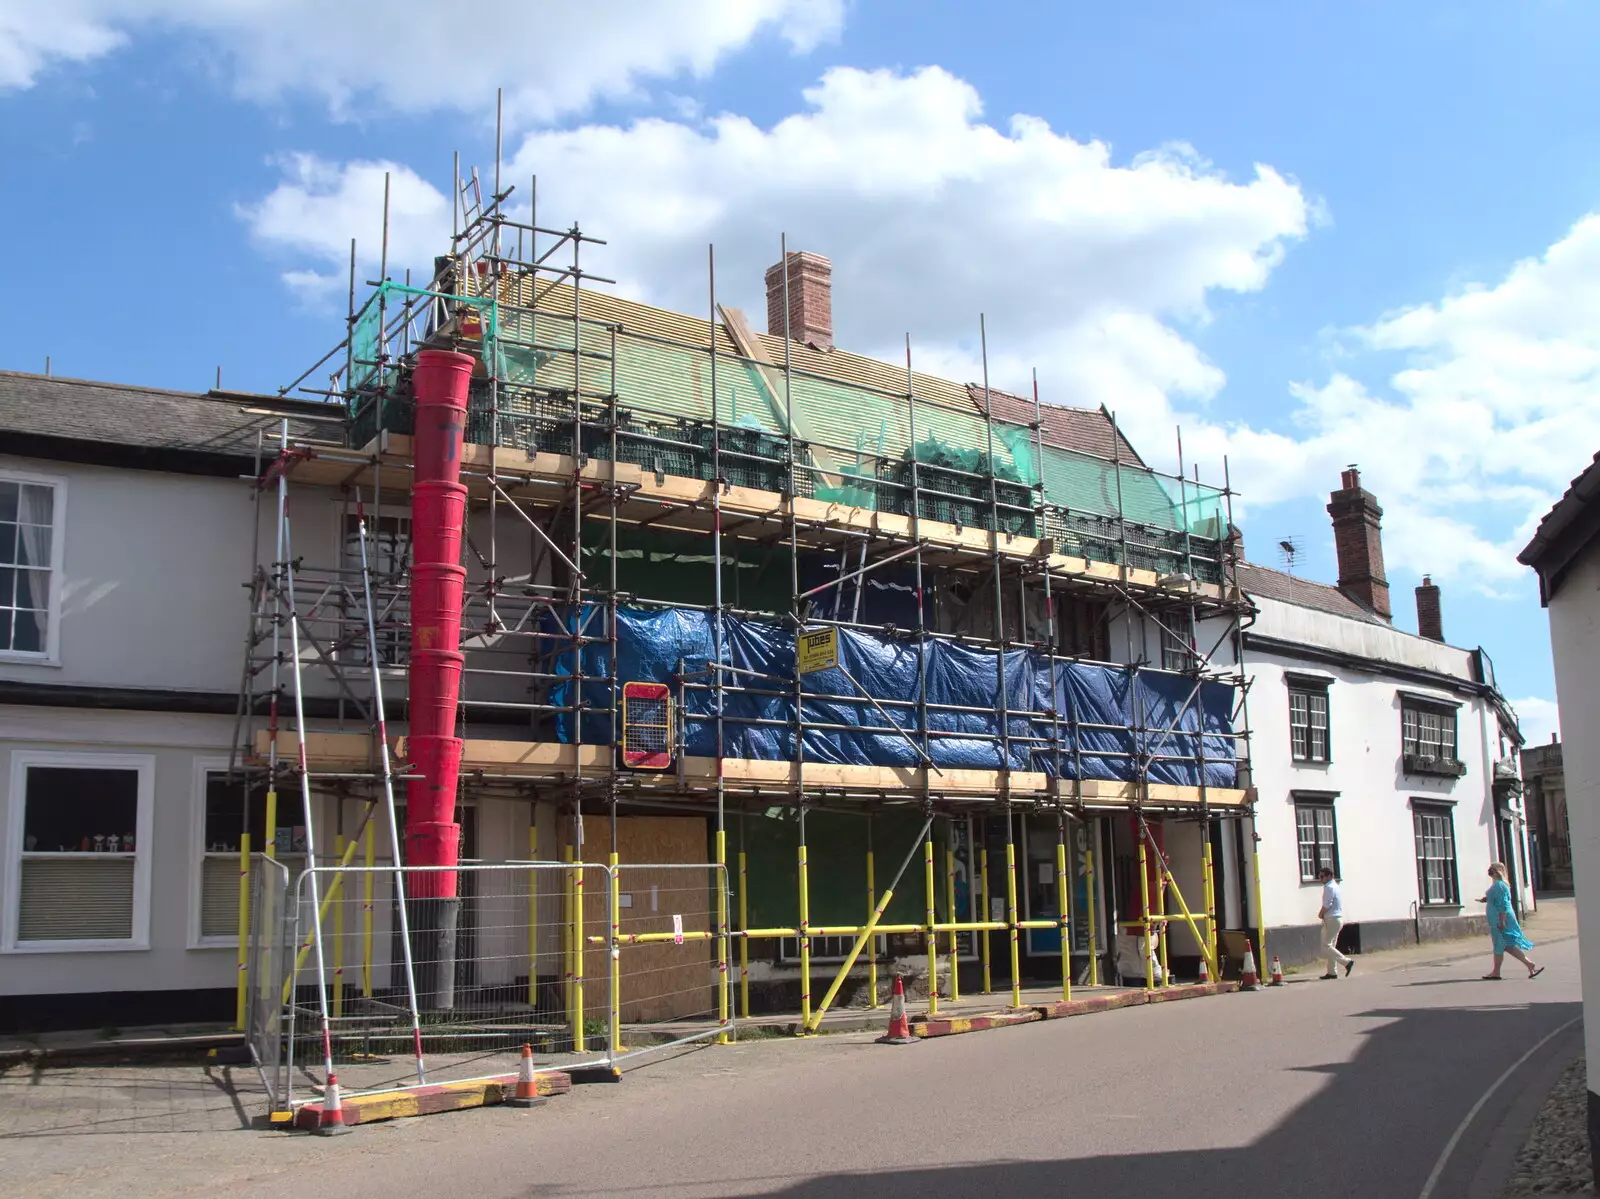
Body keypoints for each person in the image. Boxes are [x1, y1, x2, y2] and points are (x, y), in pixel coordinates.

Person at [1478, 863, 1542, 980]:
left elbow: (1504, 905)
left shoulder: (1499, 885)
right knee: (1508, 946)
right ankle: (1529, 964)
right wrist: (1487, 899)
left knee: (1499, 945)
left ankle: (1496, 972)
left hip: (1499, 919)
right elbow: (1499, 899)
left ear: (1497, 871)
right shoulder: (1499, 885)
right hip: (1497, 919)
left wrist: (1502, 921)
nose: (1489, 872)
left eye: (1491, 870)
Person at [1316, 866, 1354, 979]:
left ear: (1329, 876)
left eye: (1322, 876)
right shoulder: (1335, 886)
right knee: (1331, 946)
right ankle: (1332, 972)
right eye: (1319, 877)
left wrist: (1320, 914)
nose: (1320, 879)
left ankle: (1346, 962)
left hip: (1331, 919)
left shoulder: (1329, 887)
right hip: (1337, 918)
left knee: (1325, 946)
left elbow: (1327, 904)